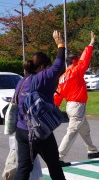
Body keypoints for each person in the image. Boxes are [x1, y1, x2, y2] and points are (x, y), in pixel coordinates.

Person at [13, 30, 66, 180]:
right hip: (38, 132)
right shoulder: (41, 78)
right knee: (54, 165)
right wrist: (60, 44)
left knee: (24, 168)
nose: (50, 70)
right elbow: (58, 65)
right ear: (42, 67)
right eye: (47, 67)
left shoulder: (22, 81)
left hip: (21, 131)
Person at [54, 31, 99, 167]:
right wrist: (91, 43)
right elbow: (85, 58)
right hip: (77, 106)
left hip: (70, 105)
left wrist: (54, 107)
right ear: (74, 61)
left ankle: (92, 150)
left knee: (85, 130)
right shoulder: (76, 71)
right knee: (71, 132)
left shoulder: (62, 77)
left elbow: (58, 94)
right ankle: (58, 157)